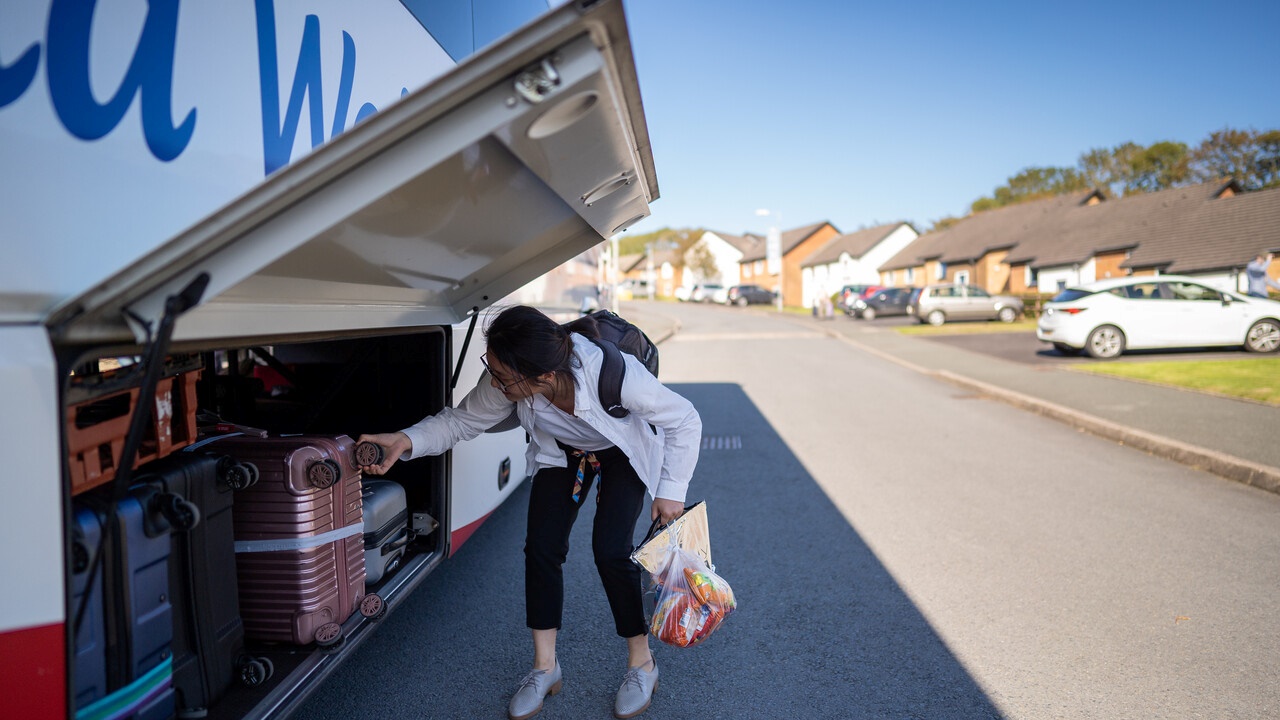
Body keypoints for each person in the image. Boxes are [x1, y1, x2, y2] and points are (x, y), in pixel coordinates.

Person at [356, 305, 701, 720]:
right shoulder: (508, 379)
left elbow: (684, 418)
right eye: (492, 368)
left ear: (544, 376)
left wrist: (671, 492)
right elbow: (459, 422)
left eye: (502, 375)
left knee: (611, 551)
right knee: (540, 548)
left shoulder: (613, 373)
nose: (495, 382)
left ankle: (641, 663)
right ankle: (544, 667)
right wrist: (404, 440)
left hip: (620, 453)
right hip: (563, 455)